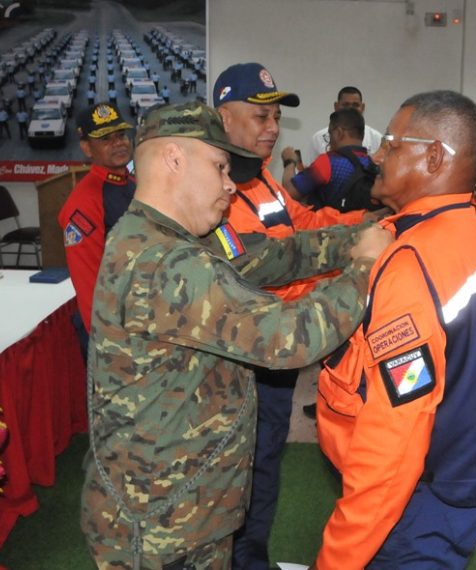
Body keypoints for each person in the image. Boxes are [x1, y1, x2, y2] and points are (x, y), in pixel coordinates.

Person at [81, 100, 392, 569]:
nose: (230, 183)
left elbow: (273, 256)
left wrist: (354, 239)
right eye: (221, 166)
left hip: (179, 505)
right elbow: (288, 337)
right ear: (174, 159)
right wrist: (365, 268)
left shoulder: (164, 238)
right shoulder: (169, 263)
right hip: (163, 525)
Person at [312, 90, 476, 569]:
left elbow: (394, 439)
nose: (377, 154)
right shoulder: (461, 228)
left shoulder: (412, 263)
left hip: (421, 498)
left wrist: (336, 559)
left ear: (434, 155)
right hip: (460, 468)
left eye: (392, 144)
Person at [212, 62, 369, 570]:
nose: (273, 127)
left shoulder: (261, 183)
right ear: (223, 116)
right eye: (260, 116)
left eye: (275, 116)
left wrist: (365, 220)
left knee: (267, 463)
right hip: (243, 357)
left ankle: (252, 556)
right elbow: (267, 266)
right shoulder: (216, 194)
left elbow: (306, 225)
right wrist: (355, 252)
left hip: (278, 355)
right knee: (239, 471)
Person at [58, 103, 136, 343]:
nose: (119, 143)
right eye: (105, 139)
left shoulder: (132, 183)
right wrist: (108, 342)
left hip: (138, 320)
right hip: (111, 332)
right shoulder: (85, 201)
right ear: (86, 148)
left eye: (121, 135)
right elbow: (88, 279)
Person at [281, 108, 374, 211]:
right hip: (364, 225)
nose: (329, 142)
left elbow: (289, 192)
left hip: (328, 226)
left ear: (338, 133)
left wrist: (289, 162)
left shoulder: (328, 162)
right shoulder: (371, 165)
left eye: (330, 134)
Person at [307, 86, 383, 162]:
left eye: (355, 105)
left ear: (362, 107)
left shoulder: (377, 138)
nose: (350, 109)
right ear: (336, 106)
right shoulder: (318, 138)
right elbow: (311, 170)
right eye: (345, 105)